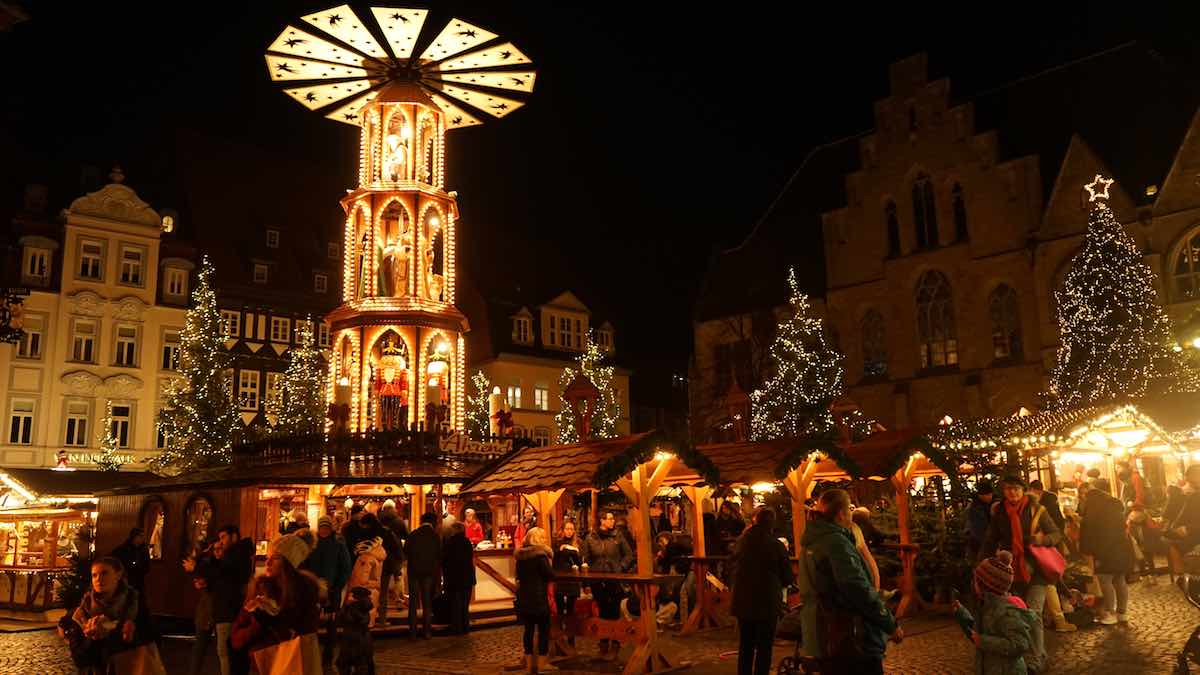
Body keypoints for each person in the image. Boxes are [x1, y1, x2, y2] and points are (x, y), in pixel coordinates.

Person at [802, 489, 899, 674]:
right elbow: (857, 588)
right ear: (841, 514)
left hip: (821, 634)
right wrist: (889, 623)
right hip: (847, 636)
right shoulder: (836, 543)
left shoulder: (812, 541)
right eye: (849, 512)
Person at [979, 475, 1064, 669]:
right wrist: (981, 561)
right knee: (1019, 614)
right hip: (1012, 571)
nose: (1013, 492)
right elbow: (991, 539)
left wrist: (1040, 540)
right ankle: (1037, 654)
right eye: (1008, 489)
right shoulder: (1000, 512)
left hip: (1037, 569)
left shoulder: (1036, 509)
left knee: (1033, 613)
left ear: (1023, 490)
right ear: (1004, 491)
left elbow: (1056, 533)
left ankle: (1035, 660)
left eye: (1016, 488)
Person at [63, 555, 166, 675]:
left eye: (104, 573)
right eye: (94, 575)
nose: (98, 579)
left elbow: (153, 639)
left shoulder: (135, 605)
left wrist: (125, 632)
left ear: (118, 575)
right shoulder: (82, 612)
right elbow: (79, 659)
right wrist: (92, 638)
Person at [241, 532, 322, 674]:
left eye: (275, 557)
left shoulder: (305, 590)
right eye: (268, 557)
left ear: (289, 563)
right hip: (263, 657)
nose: (268, 562)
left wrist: (275, 618)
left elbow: (304, 631)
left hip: (293, 658)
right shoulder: (262, 587)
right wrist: (260, 615)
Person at [730, 507, 794, 675]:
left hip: (742, 600)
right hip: (767, 601)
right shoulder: (776, 545)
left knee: (746, 644)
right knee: (764, 646)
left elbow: (731, 567)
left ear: (754, 521)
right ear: (772, 524)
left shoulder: (741, 542)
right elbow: (787, 576)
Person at [953, 550, 1038, 675]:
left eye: (976, 579)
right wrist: (961, 614)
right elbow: (976, 635)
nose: (973, 583)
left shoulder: (1007, 612)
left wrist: (984, 641)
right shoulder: (987, 607)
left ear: (984, 585)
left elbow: (1020, 644)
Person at [1080, 479, 1134, 625]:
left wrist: (1086, 550)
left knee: (1105, 579)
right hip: (1122, 547)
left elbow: (1088, 531)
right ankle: (1122, 613)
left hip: (1104, 548)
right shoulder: (1114, 504)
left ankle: (1110, 613)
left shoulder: (1092, 507)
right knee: (1119, 579)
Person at [583, 510, 634, 660]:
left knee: (614, 614)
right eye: (609, 519)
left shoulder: (618, 536)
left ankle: (615, 646)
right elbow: (585, 559)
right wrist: (587, 580)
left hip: (614, 580)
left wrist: (621, 567)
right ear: (602, 521)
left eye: (613, 518)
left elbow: (629, 554)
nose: (613, 521)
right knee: (603, 614)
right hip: (598, 581)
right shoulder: (591, 538)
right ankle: (603, 645)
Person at [300, 515, 351, 664]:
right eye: (321, 527)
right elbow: (305, 564)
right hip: (313, 589)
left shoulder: (338, 543)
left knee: (331, 624)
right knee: (311, 621)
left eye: (326, 527)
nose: (323, 530)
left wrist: (337, 586)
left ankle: (328, 655)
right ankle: (312, 653)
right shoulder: (312, 543)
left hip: (332, 589)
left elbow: (345, 567)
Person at [207, 524, 255, 675]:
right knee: (228, 652)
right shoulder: (238, 555)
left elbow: (225, 580)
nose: (221, 542)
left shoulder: (233, 556)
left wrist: (198, 568)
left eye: (223, 537)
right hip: (228, 609)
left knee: (224, 652)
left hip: (227, 610)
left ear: (234, 536)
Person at [515, 526, 556, 673]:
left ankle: (528, 664)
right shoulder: (540, 556)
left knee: (528, 630)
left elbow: (518, 576)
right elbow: (550, 575)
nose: (545, 540)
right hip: (539, 599)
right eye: (543, 537)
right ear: (537, 539)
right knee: (544, 630)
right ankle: (541, 664)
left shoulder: (520, 557)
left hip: (524, 598)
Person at [187, 537, 222, 675]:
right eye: (215, 549)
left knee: (222, 650)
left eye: (220, 549)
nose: (218, 552)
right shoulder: (208, 563)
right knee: (199, 648)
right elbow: (198, 577)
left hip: (220, 610)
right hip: (207, 609)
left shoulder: (226, 566)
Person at [405, 511, 442, 639]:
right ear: (433, 522)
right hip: (428, 572)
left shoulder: (413, 534)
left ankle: (413, 632)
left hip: (414, 571)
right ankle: (427, 632)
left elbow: (406, 551)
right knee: (427, 603)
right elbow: (439, 555)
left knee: (413, 603)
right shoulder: (435, 536)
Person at [442, 521, 477, 634]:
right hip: (467, 577)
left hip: (454, 577)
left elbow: (446, 560)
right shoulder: (467, 542)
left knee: (456, 604)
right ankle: (465, 627)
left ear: (455, 530)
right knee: (465, 605)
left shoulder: (450, 542)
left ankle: (457, 628)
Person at [336, 587, 375, 675]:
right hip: (364, 639)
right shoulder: (366, 608)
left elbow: (344, 619)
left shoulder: (352, 608)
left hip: (351, 640)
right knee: (364, 663)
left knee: (346, 663)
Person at [553, 520, 583, 618]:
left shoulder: (577, 543)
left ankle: (570, 629)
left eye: (572, 529)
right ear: (563, 530)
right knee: (560, 605)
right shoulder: (557, 542)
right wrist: (561, 550)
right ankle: (560, 627)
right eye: (567, 529)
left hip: (573, 577)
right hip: (560, 576)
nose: (569, 531)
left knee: (571, 605)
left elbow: (579, 562)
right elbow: (554, 560)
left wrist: (574, 551)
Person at [110, 527, 150, 594]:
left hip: (139, 579)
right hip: (126, 578)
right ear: (134, 537)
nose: (142, 538)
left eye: (143, 536)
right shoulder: (123, 549)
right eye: (140, 536)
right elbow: (113, 559)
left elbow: (146, 565)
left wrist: (141, 567)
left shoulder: (144, 550)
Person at [964, 480, 995, 562]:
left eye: (990, 494)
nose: (989, 497)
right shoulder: (974, 508)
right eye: (986, 495)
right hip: (977, 543)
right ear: (980, 495)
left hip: (988, 542)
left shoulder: (993, 504)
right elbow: (976, 528)